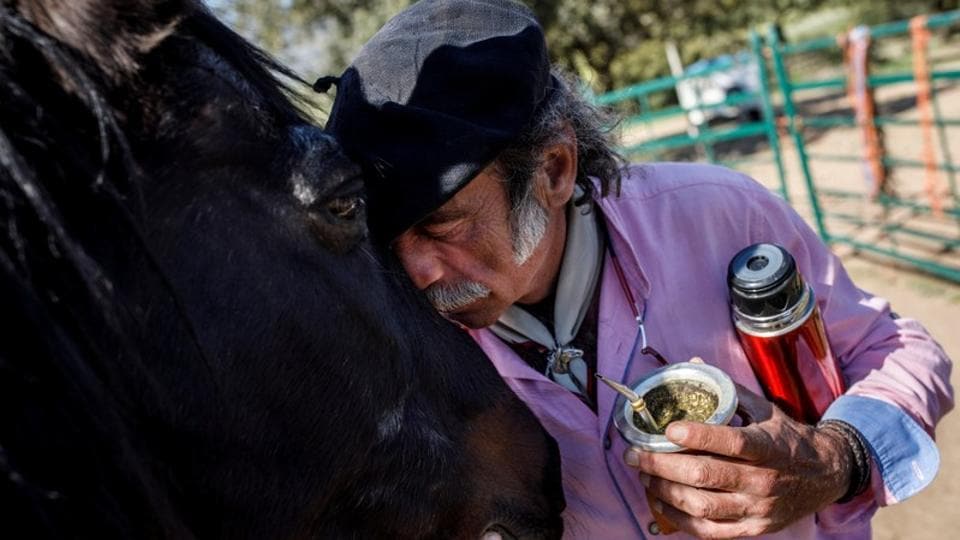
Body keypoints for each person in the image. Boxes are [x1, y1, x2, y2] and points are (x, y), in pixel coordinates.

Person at [324, 0, 954, 537]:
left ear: (553, 170)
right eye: (388, 239)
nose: (418, 271)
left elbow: (897, 348)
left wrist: (833, 459)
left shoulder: (718, 214)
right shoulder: (399, 347)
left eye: (442, 224)